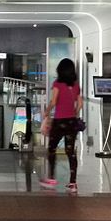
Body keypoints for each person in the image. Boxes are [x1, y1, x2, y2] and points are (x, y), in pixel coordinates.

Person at [40, 58, 83, 194]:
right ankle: (73, 183)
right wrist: (74, 114)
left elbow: (54, 101)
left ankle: (51, 179)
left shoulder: (57, 84)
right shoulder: (76, 85)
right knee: (70, 152)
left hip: (59, 122)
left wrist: (47, 111)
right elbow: (80, 104)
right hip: (71, 122)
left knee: (52, 149)